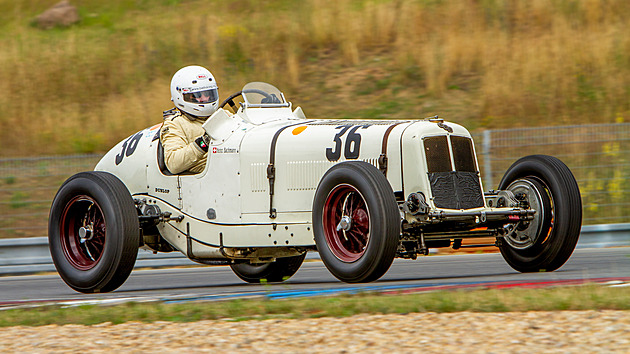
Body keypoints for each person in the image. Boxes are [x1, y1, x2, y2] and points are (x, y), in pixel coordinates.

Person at [160, 65, 219, 174]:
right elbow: (173, 163)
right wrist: (202, 143)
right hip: (207, 173)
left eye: (208, 94)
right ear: (181, 96)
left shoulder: (224, 115)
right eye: (197, 95)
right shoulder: (175, 124)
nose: (205, 99)